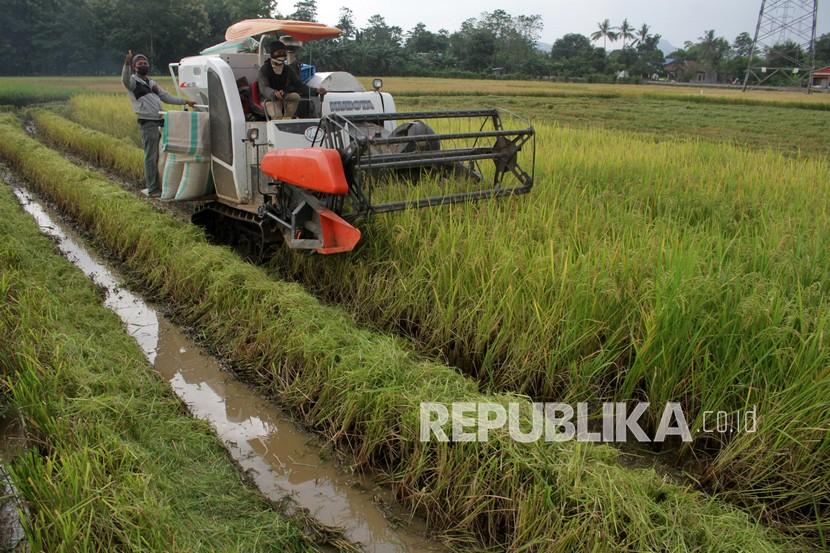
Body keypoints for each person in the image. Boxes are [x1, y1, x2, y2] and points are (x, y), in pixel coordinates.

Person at [122, 50, 195, 197]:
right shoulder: (133, 82)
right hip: (148, 123)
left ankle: (160, 184)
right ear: (135, 67)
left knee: (163, 153)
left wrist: (185, 101)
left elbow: (166, 97)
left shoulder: (151, 83)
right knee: (151, 156)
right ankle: (152, 188)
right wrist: (126, 64)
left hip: (161, 121)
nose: (143, 65)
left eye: (145, 63)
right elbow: (124, 79)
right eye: (139, 64)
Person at [257, 40, 326, 120]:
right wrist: (274, 93)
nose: (281, 55)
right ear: (272, 54)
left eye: (283, 52)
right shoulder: (264, 69)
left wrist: (316, 91)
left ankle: (287, 118)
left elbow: (299, 85)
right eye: (279, 52)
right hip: (269, 100)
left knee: (295, 96)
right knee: (277, 116)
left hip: (284, 97)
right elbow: (264, 88)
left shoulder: (287, 69)